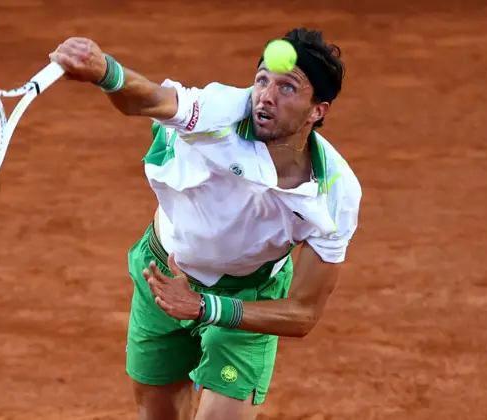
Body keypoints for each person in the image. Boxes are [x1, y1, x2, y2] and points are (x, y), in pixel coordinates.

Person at [49, 27, 362, 420]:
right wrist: (105, 71)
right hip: (160, 280)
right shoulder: (221, 112)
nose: (265, 95)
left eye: (287, 88)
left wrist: (204, 307)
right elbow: (149, 98)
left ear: (319, 110)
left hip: (246, 298)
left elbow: (303, 313)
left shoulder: (335, 192)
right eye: (262, 79)